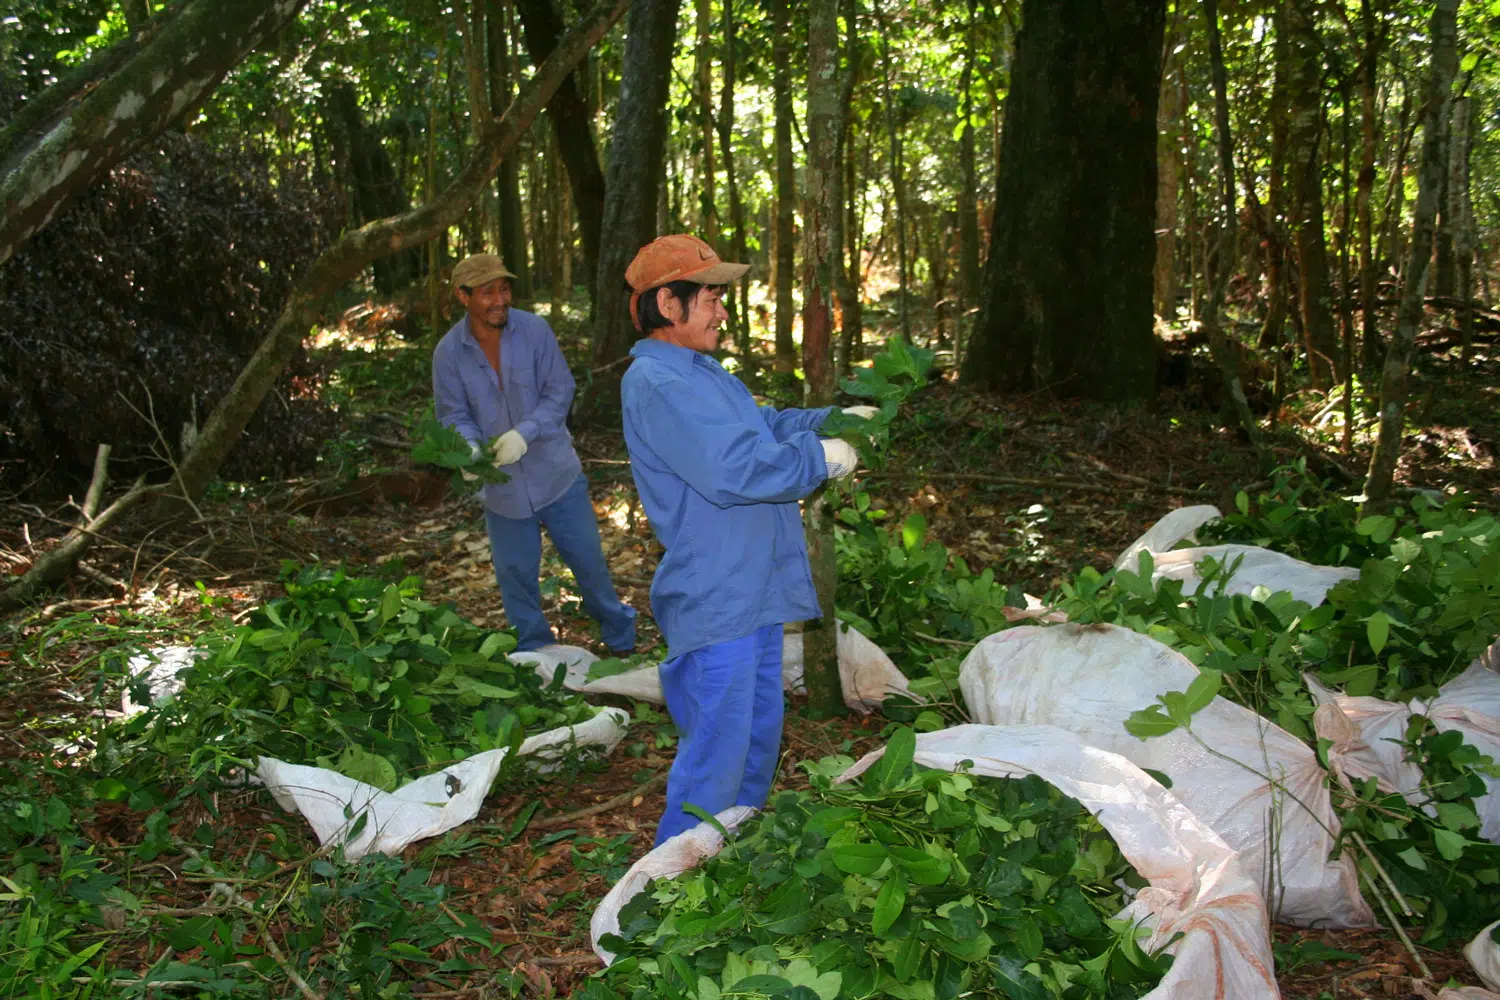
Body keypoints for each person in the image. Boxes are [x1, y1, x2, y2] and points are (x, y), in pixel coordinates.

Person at [618, 234, 874, 845]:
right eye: (709, 297)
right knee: (716, 762)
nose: (722, 311)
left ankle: (729, 873)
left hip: (753, 591)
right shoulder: (657, 383)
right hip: (718, 596)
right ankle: (668, 898)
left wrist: (831, 422)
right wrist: (818, 459)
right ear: (668, 304)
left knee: (756, 744)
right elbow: (735, 468)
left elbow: (765, 428)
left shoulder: (703, 373)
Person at [432, 253, 636, 654]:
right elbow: (452, 413)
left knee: (590, 566)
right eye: (487, 291)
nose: (499, 299)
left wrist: (525, 433)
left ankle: (621, 641)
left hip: (556, 475)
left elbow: (560, 389)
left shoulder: (533, 331)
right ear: (463, 296)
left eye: (504, 288)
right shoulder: (448, 354)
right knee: (516, 579)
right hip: (502, 490)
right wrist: (470, 450)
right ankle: (536, 655)